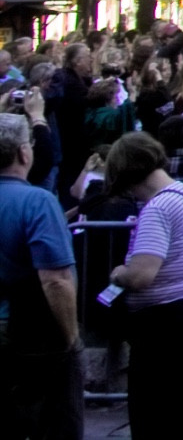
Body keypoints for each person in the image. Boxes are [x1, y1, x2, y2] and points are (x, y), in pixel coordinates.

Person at [103, 131, 183, 440]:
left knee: (156, 415)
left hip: (169, 323)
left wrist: (119, 274)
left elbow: (143, 275)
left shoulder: (158, 208)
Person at [0, 112, 81, 440]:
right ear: (23, 152)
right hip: (27, 335)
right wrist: (71, 338)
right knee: (52, 421)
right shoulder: (37, 201)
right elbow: (56, 280)